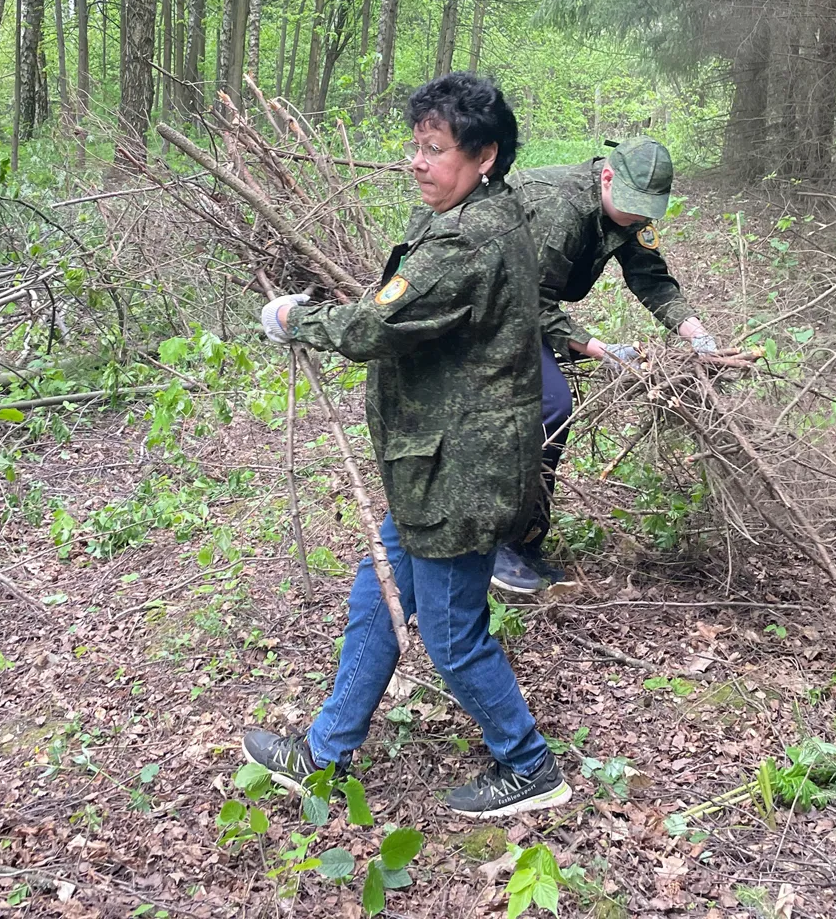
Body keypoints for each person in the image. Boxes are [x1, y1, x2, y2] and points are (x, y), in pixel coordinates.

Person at [244, 73, 571, 818]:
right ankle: (324, 754)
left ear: (485, 155)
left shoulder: (467, 238)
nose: (417, 162)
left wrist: (298, 319)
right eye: (414, 146)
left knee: (454, 640)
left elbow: (371, 326)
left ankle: (530, 767)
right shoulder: (477, 213)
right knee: (377, 599)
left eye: (435, 149)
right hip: (430, 466)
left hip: (459, 476)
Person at [490, 136, 717, 595]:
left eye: (646, 209)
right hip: (488, 304)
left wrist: (694, 332)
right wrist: (599, 348)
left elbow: (650, 277)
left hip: (525, 305)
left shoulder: (629, 212)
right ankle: (496, 544)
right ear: (607, 178)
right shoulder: (559, 207)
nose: (638, 217)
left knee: (551, 408)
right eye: (633, 205)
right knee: (547, 405)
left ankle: (527, 540)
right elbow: (531, 299)